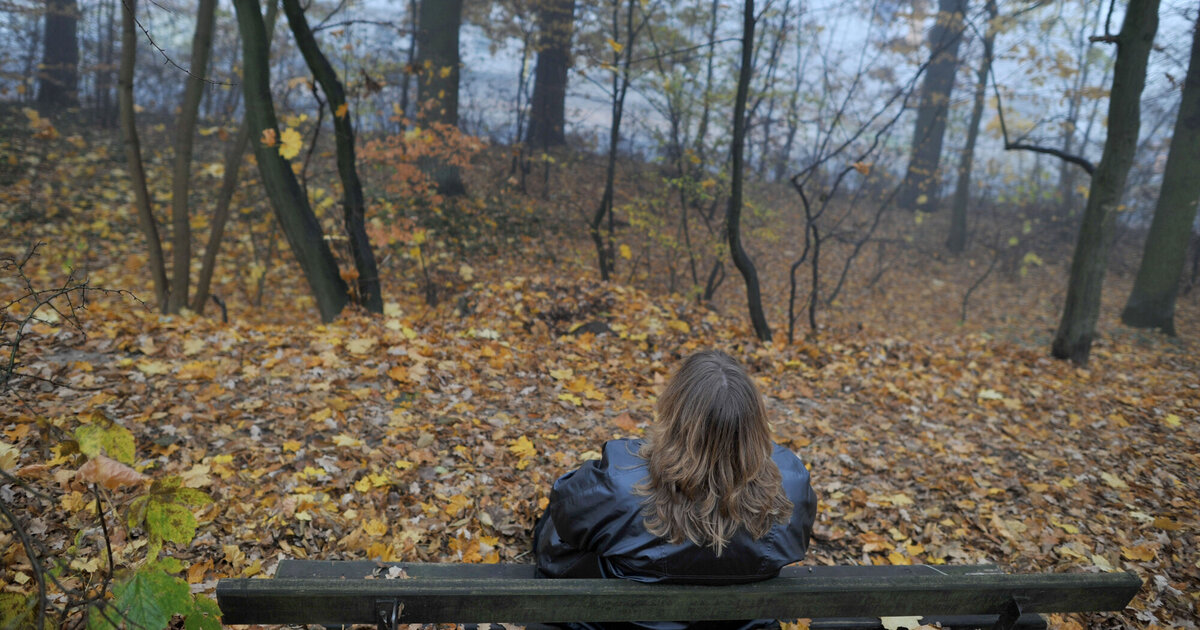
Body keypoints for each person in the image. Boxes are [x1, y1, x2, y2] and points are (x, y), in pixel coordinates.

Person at [533, 349, 818, 630]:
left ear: (674, 408)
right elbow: (794, 545)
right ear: (755, 420)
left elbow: (563, 518)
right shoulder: (791, 482)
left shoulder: (619, 479)